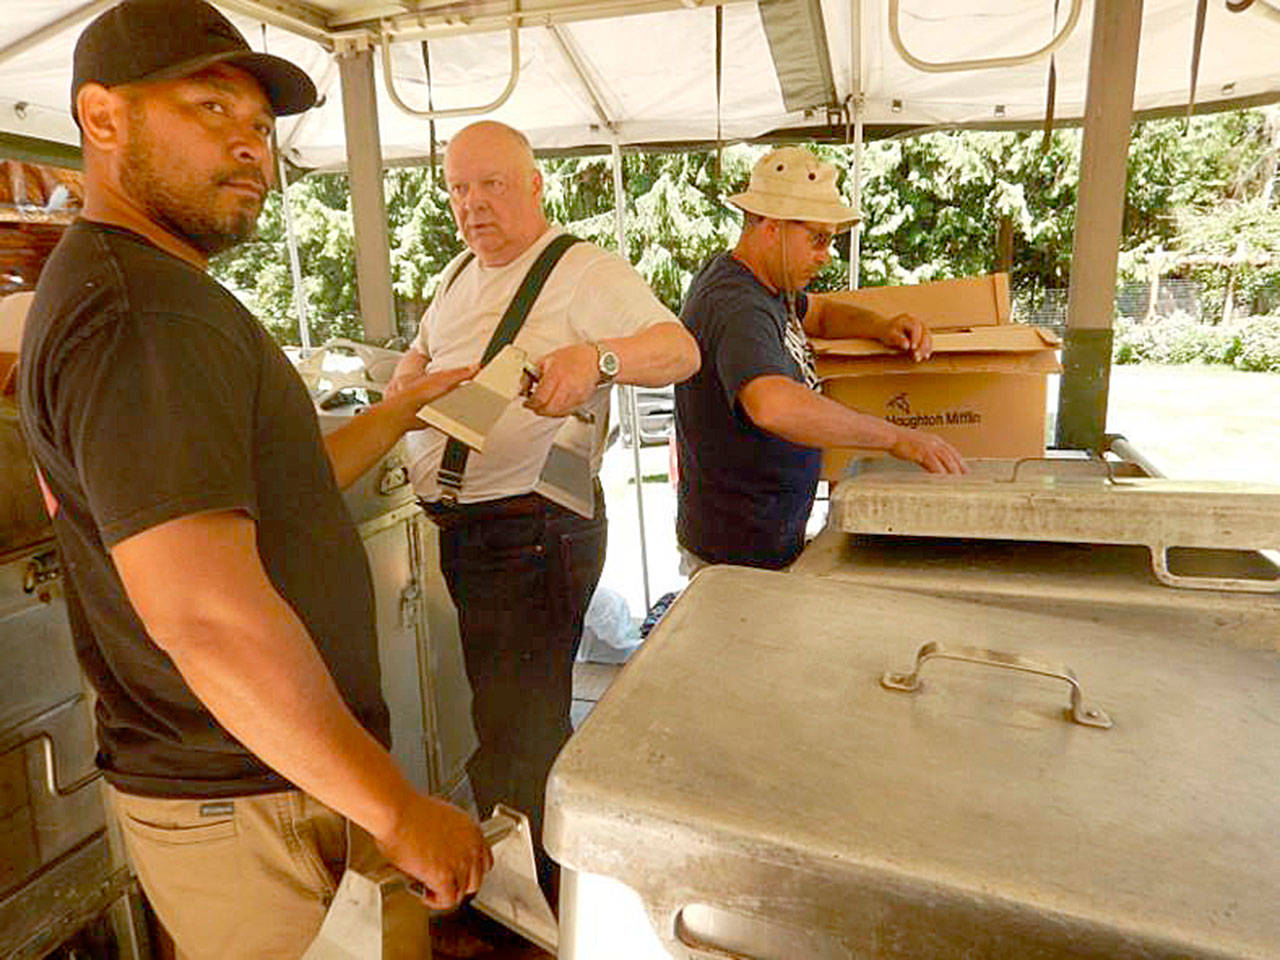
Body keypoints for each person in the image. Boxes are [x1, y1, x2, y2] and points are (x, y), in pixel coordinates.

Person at [17, 3, 490, 957]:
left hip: (260, 786)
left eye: (261, 130)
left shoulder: (134, 286)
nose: (249, 148)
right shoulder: (145, 312)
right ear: (102, 119)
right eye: (209, 109)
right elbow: (207, 617)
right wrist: (396, 809)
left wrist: (398, 411)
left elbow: (278, 485)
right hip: (251, 801)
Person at [386, 120, 699, 891]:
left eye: (492, 184)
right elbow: (425, 345)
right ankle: (530, 878)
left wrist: (598, 357)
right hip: (472, 530)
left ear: (535, 186)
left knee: (519, 728)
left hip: (529, 532)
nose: (473, 204)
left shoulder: (579, 270)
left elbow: (680, 350)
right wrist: (409, 374)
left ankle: (541, 902)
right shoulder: (459, 271)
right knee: (509, 716)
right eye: (459, 188)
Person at [675, 146, 967, 573]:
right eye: (817, 238)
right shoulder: (738, 305)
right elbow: (773, 404)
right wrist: (896, 439)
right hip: (737, 560)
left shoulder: (767, 286)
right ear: (772, 227)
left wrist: (880, 326)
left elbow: (823, 313)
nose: (825, 254)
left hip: (763, 541)